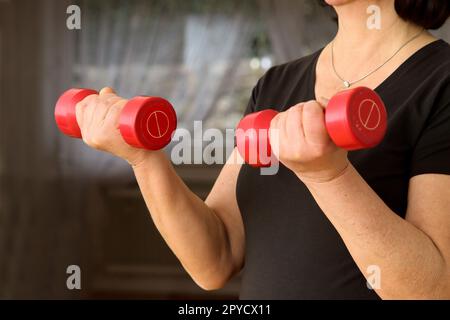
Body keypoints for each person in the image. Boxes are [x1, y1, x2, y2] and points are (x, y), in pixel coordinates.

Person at [74, 0, 450, 299]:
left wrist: (328, 175)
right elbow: (215, 258)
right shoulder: (275, 85)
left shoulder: (441, 82)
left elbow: (432, 292)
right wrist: (144, 157)